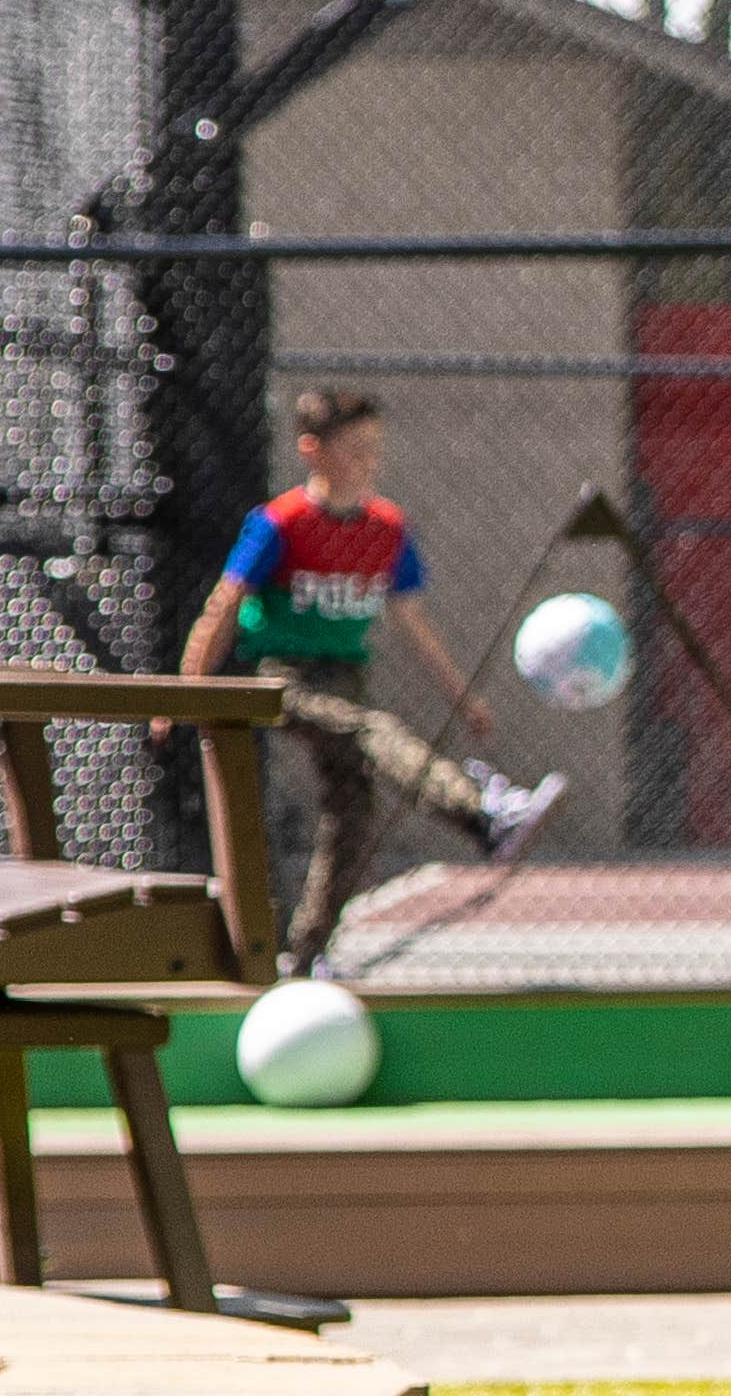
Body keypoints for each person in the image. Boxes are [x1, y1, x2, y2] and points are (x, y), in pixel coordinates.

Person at [173, 386, 565, 973]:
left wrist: (464, 698)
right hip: (285, 681)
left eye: (374, 448)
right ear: (313, 450)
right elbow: (223, 607)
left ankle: (304, 957)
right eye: (354, 448)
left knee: (353, 815)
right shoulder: (280, 523)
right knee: (371, 730)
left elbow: (413, 623)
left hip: (347, 678)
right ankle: (481, 813)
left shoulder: (387, 527)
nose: (368, 461)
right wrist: (181, 694)